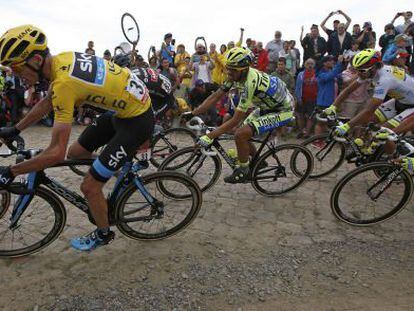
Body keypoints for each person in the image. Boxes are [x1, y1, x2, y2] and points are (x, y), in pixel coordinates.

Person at [0, 25, 154, 251]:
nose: (15, 74)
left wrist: (11, 172)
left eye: (16, 67)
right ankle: (115, 167)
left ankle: (103, 233)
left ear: (35, 59)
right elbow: (47, 101)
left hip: (138, 122)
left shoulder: (65, 83)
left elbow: (55, 153)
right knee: (75, 153)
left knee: (89, 186)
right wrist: (16, 129)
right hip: (122, 111)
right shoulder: (61, 61)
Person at [184, 47, 294, 183]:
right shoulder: (236, 76)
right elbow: (215, 97)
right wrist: (192, 113)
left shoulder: (250, 82)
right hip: (267, 106)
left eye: (232, 70)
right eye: (228, 68)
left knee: (240, 134)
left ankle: (244, 171)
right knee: (243, 133)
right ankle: (259, 161)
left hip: (283, 110)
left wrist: (211, 136)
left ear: (243, 69)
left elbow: (235, 119)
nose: (228, 72)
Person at [327, 50, 414, 150]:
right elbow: (348, 90)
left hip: (412, 106)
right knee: (369, 122)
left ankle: (392, 159)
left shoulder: (385, 79)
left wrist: (347, 126)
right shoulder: (369, 72)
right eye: (357, 70)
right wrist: (333, 106)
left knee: (384, 131)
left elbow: (369, 110)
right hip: (401, 101)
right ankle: (368, 147)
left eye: (362, 71)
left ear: (374, 67)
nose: (359, 74)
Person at [295, 58, 318, 138]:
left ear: (314, 65)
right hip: (302, 98)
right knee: (300, 115)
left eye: (311, 63)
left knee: (310, 116)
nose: (310, 65)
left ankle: (307, 133)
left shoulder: (317, 74)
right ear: (305, 65)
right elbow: (297, 87)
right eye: (308, 63)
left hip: (313, 99)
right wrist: (298, 98)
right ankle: (301, 131)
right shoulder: (301, 74)